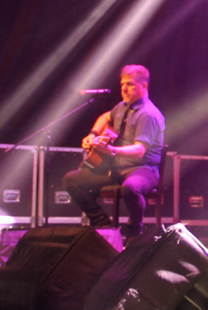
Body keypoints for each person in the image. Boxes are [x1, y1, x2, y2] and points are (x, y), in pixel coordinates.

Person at [63, 64, 166, 240]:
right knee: (72, 180)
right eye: (122, 84)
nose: (124, 89)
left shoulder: (148, 114)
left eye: (130, 84)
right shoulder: (122, 107)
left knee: (130, 188)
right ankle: (103, 224)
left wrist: (111, 150)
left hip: (143, 169)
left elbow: (139, 150)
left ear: (144, 86)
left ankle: (134, 230)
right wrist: (93, 134)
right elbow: (105, 117)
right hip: (118, 168)